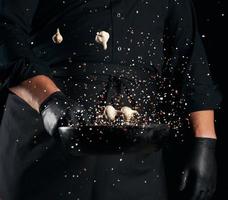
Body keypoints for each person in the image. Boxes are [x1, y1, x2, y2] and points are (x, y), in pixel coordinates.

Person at [0, 0, 221, 199]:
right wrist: (48, 101)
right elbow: (6, 29)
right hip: (43, 132)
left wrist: (205, 141)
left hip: (136, 152)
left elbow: (189, 56)